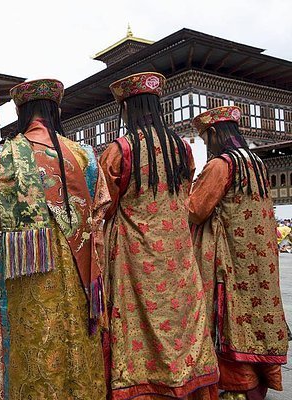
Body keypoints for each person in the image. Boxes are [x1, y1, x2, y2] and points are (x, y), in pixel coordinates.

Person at [0, 79, 111, 399]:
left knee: (34, 335)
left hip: (29, 268)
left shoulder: (4, 155)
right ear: (56, 110)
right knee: (79, 334)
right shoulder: (86, 155)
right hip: (82, 267)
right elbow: (102, 207)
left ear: (21, 112)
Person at [99, 72, 218, 399]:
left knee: (138, 321)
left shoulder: (120, 149)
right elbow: (185, 193)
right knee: (181, 318)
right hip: (178, 253)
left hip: (136, 257)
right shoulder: (182, 147)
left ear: (128, 109)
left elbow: (105, 206)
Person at [188, 106, 289, 400]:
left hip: (228, 256)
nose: (207, 145)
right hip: (258, 260)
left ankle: (235, 385)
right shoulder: (256, 162)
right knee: (255, 314)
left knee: (228, 315)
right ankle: (259, 378)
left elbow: (197, 210)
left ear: (216, 134)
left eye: (207, 139)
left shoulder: (221, 165)